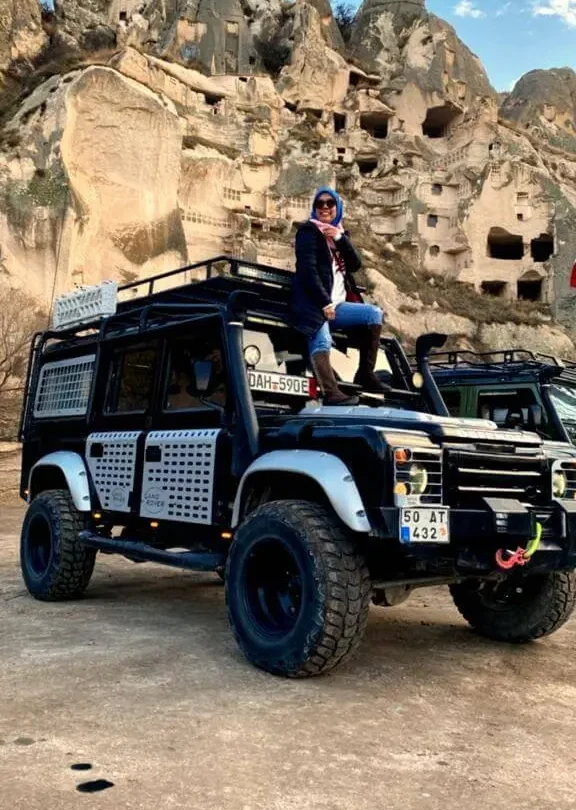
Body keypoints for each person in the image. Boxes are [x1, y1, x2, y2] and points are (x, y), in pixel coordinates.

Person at [290, 186, 386, 405]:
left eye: (330, 203)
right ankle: (331, 392)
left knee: (374, 314)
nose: (324, 207)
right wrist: (324, 302)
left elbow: (355, 265)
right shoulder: (308, 232)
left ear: (338, 207)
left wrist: (340, 238)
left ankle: (365, 374)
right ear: (314, 208)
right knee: (322, 339)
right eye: (319, 204)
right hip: (313, 304)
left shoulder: (339, 234)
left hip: (338, 305)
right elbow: (308, 270)